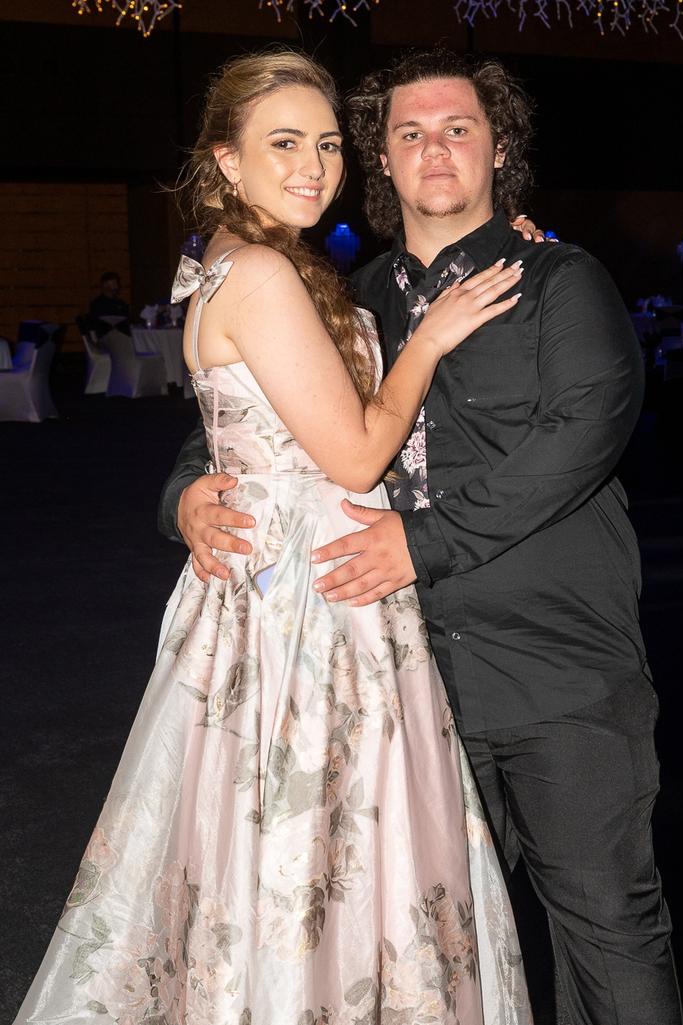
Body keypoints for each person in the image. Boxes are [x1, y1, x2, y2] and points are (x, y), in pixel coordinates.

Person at [14, 51, 532, 1025]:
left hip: (291, 585)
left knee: (286, 848)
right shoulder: (257, 270)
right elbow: (354, 454)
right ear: (227, 159)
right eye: (284, 142)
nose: (315, 164)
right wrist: (427, 337)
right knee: (312, 841)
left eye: (329, 143)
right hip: (307, 603)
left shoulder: (264, 261)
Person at [167, 50, 683, 1025]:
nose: (433, 147)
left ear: (499, 152)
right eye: (408, 132)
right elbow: (229, 420)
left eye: (458, 128)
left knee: (609, 925)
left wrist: (420, 542)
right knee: (439, 948)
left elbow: (582, 430)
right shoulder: (345, 294)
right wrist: (188, 493)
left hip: (555, 670)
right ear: (382, 159)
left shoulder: (561, 283)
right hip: (396, 682)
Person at [88, 271, 131, 336]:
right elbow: (95, 326)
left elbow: (127, 320)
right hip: (106, 338)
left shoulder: (121, 303)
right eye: (114, 283)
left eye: (117, 283)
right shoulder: (97, 304)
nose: (116, 286)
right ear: (105, 285)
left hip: (122, 336)